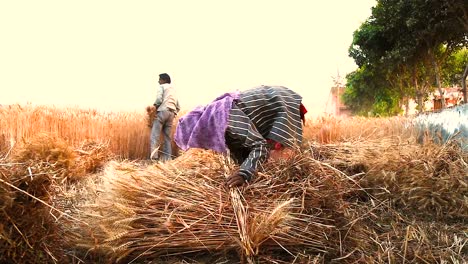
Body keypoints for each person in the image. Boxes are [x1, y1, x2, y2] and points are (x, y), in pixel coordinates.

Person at [174, 85, 307, 187]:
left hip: (281, 103)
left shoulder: (226, 118)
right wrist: (241, 167)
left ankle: (293, 187)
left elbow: (259, 146)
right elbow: (238, 146)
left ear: (199, 131)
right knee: (263, 162)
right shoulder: (217, 123)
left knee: (278, 160)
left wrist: (244, 173)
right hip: (274, 100)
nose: (203, 148)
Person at [146, 73, 180, 162]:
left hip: (162, 112)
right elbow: (178, 106)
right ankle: (167, 158)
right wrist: (174, 112)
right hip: (171, 113)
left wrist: (154, 109)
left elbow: (159, 100)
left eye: (159, 79)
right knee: (167, 138)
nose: (158, 81)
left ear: (164, 80)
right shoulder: (173, 90)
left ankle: (154, 158)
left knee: (154, 136)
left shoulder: (162, 87)